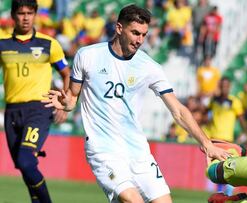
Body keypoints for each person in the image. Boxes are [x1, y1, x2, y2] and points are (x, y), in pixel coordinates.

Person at [42, 5, 229, 203]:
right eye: (135, 33)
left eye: (144, 35)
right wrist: (65, 103)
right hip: (103, 148)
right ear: (119, 28)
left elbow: (179, 111)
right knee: (133, 200)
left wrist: (206, 144)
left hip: (137, 150)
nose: (140, 40)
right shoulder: (87, 56)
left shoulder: (149, 66)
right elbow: (72, 98)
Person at [0, 0, 70, 202]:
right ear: (13, 15)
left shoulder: (49, 44)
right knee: (25, 167)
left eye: (30, 13)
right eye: (21, 13)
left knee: (26, 161)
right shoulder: (3, 44)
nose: (25, 17)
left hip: (39, 109)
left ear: (36, 14)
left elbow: (66, 74)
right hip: (12, 112)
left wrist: (64, 103)